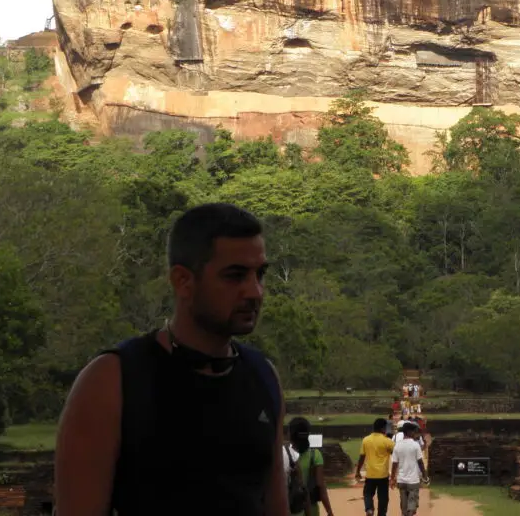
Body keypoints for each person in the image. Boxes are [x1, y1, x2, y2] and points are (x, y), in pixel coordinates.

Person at [53, 203, 289, 516]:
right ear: (183, 281)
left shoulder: (263, 376)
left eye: (260, 274)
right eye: (235, 276)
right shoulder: (113, 380)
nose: (255, 291)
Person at [285, 417, 335, 516]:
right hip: (312, 509)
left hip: (291, 508)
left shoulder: (285, 455)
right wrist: (329, 511)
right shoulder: (315, 455)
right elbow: (321, 485)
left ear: (290, 435)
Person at [355, 418, 394, 516]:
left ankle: (369, 509)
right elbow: (396, 455)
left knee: (367, 494)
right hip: (383, 475)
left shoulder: (366, 440)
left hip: (370, 474)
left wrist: (358, 471)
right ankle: (382, 514)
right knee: (383, 498)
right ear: (382, 428)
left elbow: (361, 457)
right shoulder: (387, 441)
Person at [390, 424, 428, 516]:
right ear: (409, 432)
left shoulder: (397, 446)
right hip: (413, 480)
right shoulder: (415, 445)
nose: (415, 433)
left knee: (404, 504)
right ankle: (410, 512)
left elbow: (394, 464)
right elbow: (420, 462)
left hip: (401, 480)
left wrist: (392, 479)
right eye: (414, 431)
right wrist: (424, 475)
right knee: (412, 503)